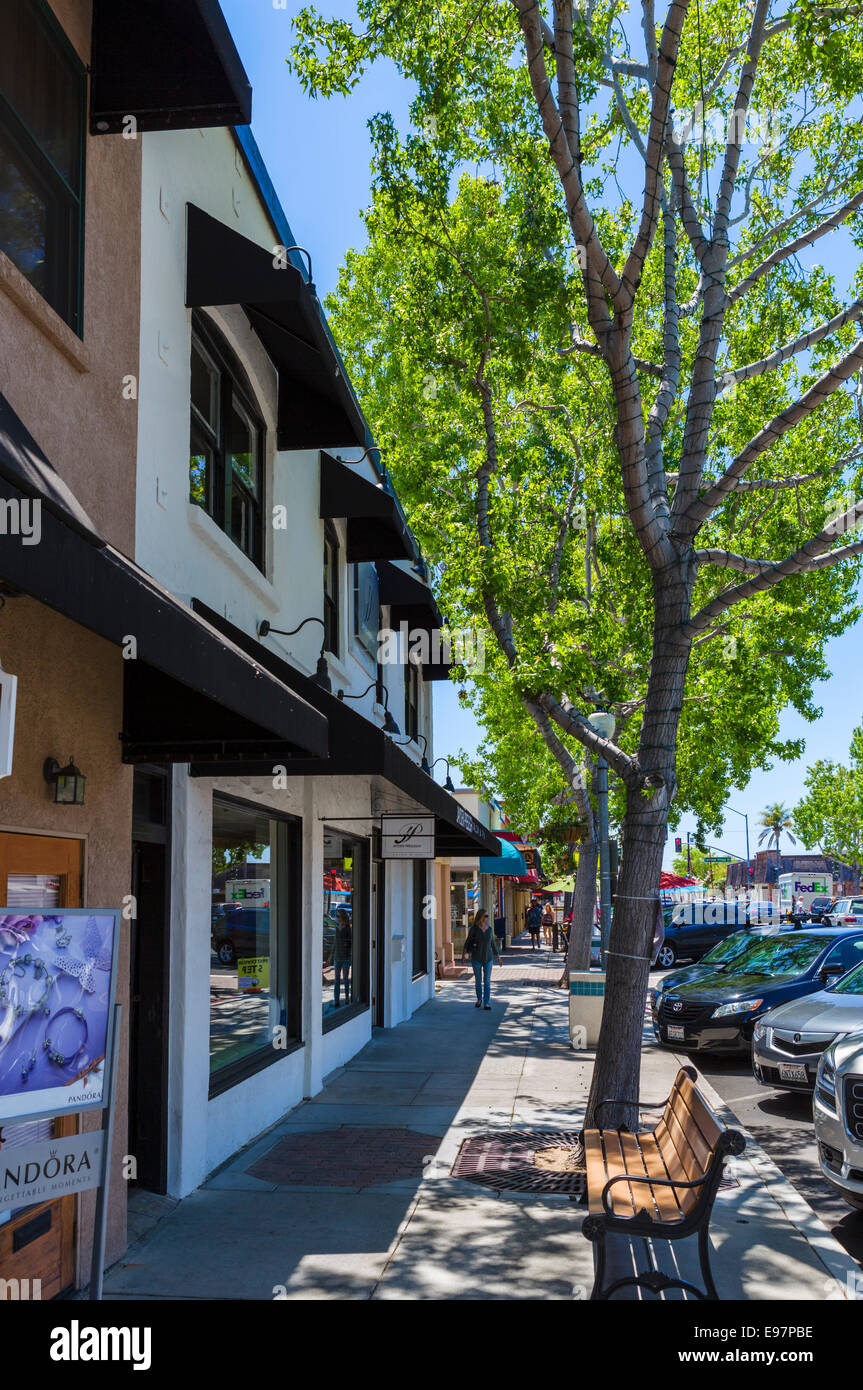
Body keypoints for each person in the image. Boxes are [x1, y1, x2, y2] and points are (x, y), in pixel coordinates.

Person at [462, 908, 500, 1009]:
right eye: (486, 916)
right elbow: (467, 942)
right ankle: (479, 999)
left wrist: (498, 957)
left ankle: (487, 1002)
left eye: (487, 916)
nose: (487, 918)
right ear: (481, 917)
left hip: (488, 959)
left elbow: (493, 944)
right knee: (478, 980)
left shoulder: (490, 929)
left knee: (487, 981)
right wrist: (463, 955)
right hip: (476, 959)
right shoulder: (474, 929)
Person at [333, 908, 352, 1007]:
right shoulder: (336, 928)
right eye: (336, 916)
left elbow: (350, 943)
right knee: (337, 980)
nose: (336, 918)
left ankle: (347, 997)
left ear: (342, 917)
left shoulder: (348, 929)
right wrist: (330, 957)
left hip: (345, 957)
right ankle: (336, 1000)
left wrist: (348, 952)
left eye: (338, 916)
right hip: (337, 957)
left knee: (345, 978)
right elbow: (334, 943)